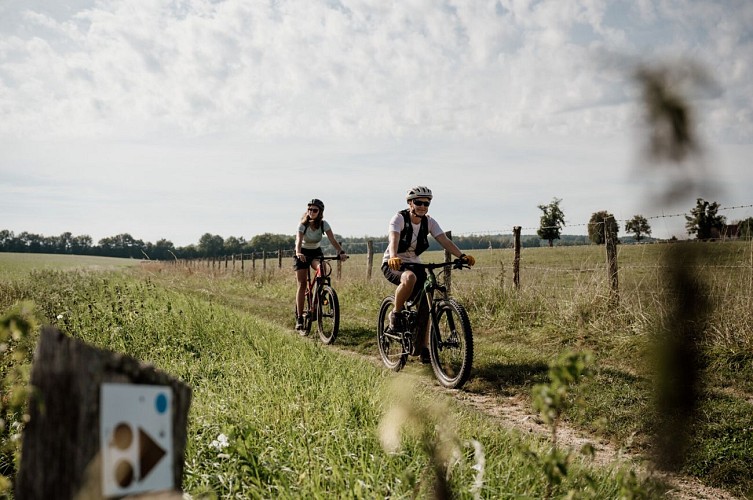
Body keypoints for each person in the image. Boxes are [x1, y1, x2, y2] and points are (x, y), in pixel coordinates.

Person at [382, 186, 475, 361]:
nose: (422, 206)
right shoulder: (399, 218)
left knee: (427, 302)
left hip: (414, 262)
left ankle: (424, 347)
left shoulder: (429, 222)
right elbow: (393, 238)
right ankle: (395, 313)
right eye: (418, 202)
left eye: (426, 203)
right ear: (410, 203)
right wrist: (393, 256)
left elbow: (444, 240)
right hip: (393, 263)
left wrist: (461, 256)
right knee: (409, 277)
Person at [294, 198, 348, 332]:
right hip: (302, 253)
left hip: (315, 252)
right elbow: (298, 241)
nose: (311, 212)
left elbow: (332, 239)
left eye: (314, 210)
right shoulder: (303, 225)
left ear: (320, 212)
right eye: (309, 209)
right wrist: (298, 252)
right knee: (302, 284)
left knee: (322, 268)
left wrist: (340, 252)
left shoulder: (324, 224)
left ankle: (321, 293)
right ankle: (300, 318)